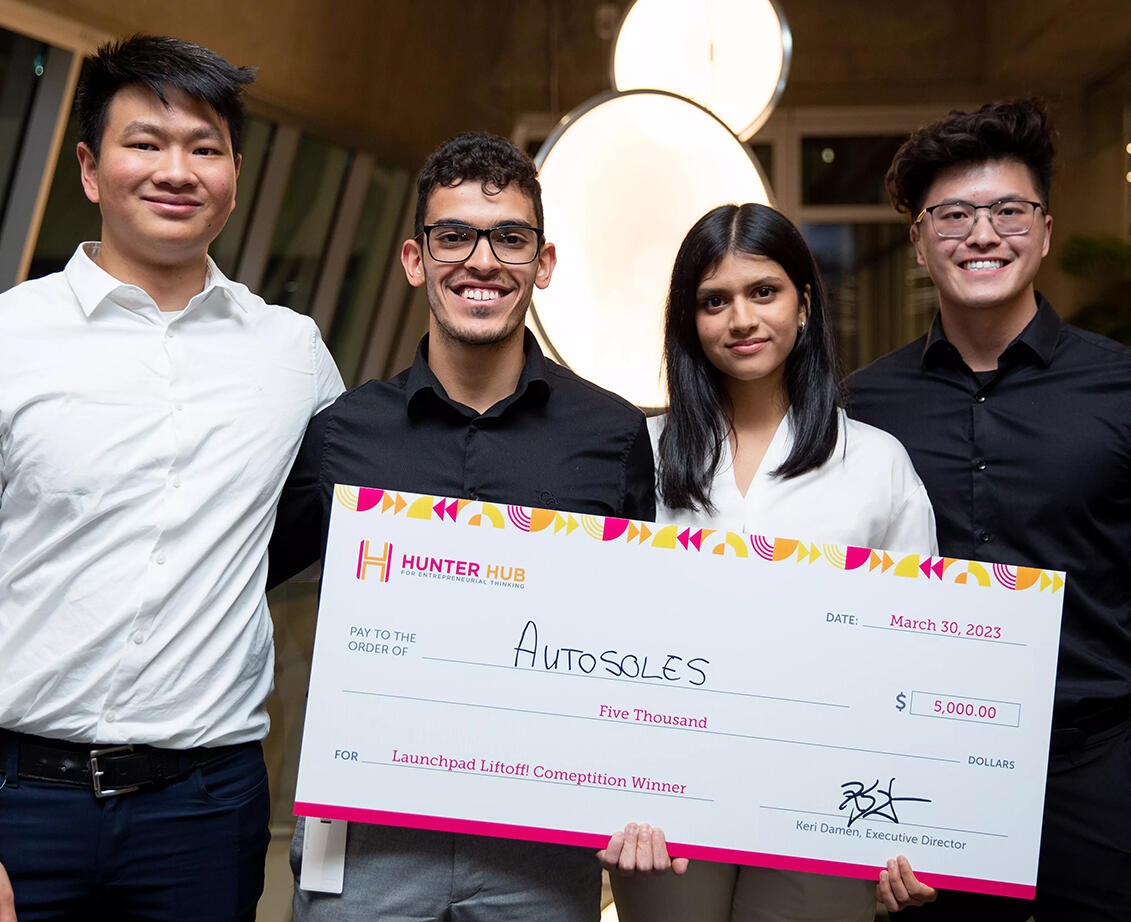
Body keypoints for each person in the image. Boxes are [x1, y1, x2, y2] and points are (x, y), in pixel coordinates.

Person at [267, 131, 662, 922]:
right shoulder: (343, 432)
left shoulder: (612, 434)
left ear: (541, 264)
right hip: (368, 830)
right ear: (416, 260)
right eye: (454, 237)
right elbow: (247, 582)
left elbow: (638, 633)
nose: (481, 261)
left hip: (540, 839)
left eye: (510, 239)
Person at [0, 36, 343, 920]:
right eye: (145, 142)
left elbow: (362, 509)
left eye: (204, 147)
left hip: (205, 807)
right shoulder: (11, 336)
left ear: (234, 171)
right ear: (88, 166)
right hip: (19, 800)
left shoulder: (291, 352)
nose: (176, 170)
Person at [610, 202, 939, 922]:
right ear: (687, 320)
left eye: (763, 292)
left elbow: (920, 651)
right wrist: (610, 789)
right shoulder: (640, 451)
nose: (740, 319)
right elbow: (604, 630)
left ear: (804, 304)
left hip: (828, 795)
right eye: (713, 301)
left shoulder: (876, 462)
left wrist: (911, 822)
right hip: (666, 797)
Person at [845, 100, 1131, 921]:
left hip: (1098, 762)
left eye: (1008, 211)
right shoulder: (861, 407)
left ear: (1042, 231)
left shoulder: (1118, 389)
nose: (981, 235)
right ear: (917, 241)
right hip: (929, 775)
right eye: (953, 215)